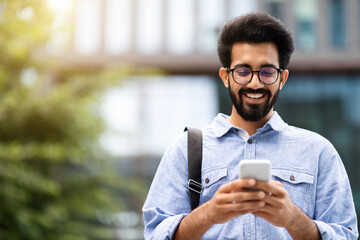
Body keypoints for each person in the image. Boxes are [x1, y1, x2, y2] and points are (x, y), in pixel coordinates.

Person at [142, 12, 358, 239]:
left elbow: (346, 235)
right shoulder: (186, 149)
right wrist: (210, 213)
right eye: (243, 72)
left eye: (267, 72)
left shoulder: (318, 151)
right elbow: (157, 234)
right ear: (226, 77)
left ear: (282, 79)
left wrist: (292, 219)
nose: (255, 83)